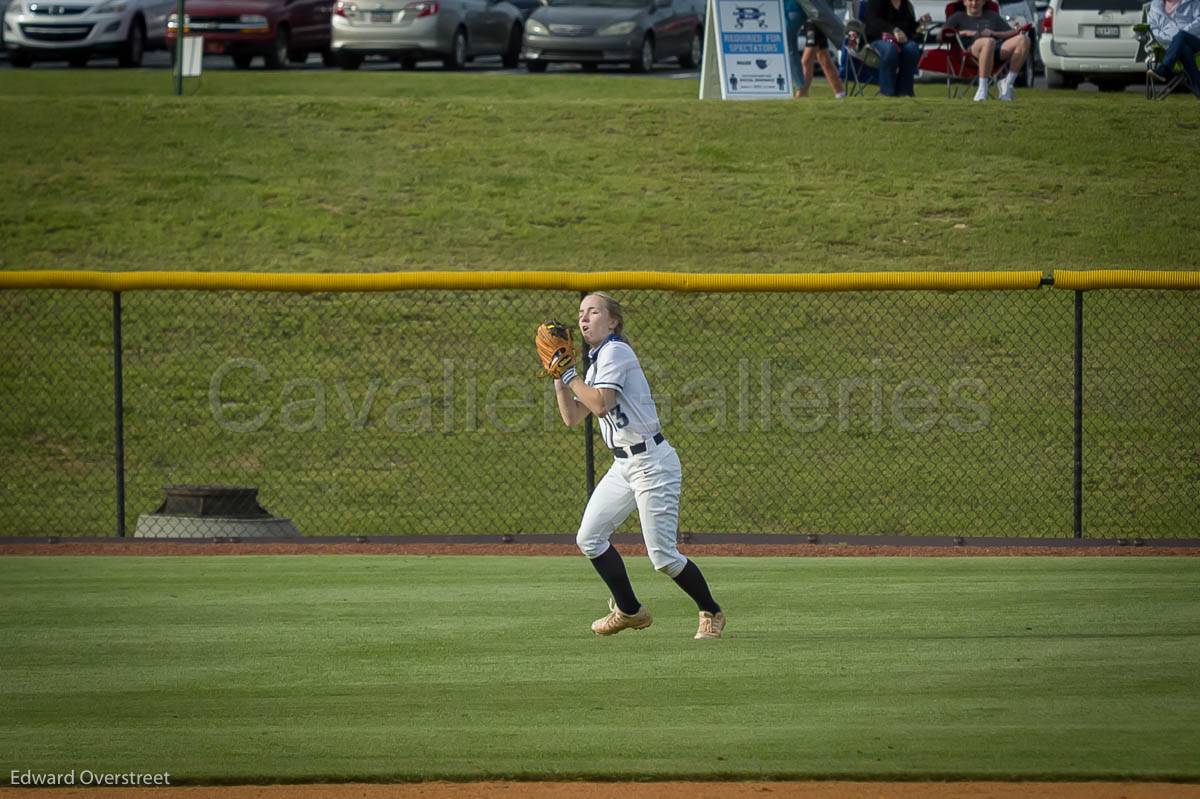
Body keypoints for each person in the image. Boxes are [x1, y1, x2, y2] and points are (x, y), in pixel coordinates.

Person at [553, 292, 726, 640]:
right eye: (581, 313)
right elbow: (573, 417)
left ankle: (711, 610)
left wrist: (570, 374)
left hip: (652, 463)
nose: (584, 319)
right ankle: (630, 611)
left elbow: (601, 405)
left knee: (662, 557)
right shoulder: (598, 360)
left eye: (594, 312)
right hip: (623, 466)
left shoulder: (616, 351)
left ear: (613, 321)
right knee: (589, 538)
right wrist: (557, 375)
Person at [944, 0, 1030, 101]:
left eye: (978, 0)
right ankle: (982, 89)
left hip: (995, 49)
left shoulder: (992, 16)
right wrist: (964, 33)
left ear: (984, 2)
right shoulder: (957, 16)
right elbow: (942, 35)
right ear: (964, 2)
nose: (974, 3)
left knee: (1024, 40)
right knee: (988, 42)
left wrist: (994, 33)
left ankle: (1007, 83)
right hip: (970, 53)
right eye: (970, 0)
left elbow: (1010, 32)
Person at [864, 0, 931, 96]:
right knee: (890, 49)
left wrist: (920, 23)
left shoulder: (905, 4)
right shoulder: (876, 2)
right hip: (878, 39)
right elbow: (873, 23)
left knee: (912, 48)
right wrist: (893, 30)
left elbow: (909, 29)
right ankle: (887, 92)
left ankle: (905, 92)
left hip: (901, 42)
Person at [1148, 0, 1200, 97]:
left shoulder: (1193, 2)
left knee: (1181, 36)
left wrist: (1181, 35)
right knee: (1185, 50)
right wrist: (1174, 41)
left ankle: (1164, 69)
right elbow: (1153, 28)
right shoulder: (1155, 6)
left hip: (1195, 40)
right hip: (1171, 46)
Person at [796, 13, 848, 97]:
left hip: (815, 18)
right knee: (824, 58)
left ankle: (801, 94)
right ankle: (840, 93)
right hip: (812, 19)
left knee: (806, 61)